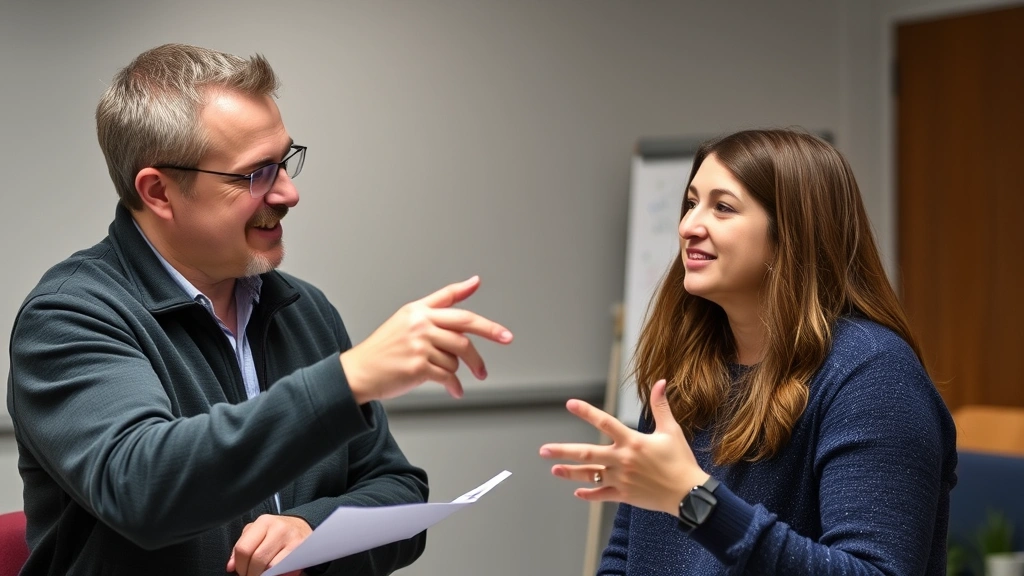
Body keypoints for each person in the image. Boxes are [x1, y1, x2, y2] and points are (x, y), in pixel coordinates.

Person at [6, 43, 513, 576]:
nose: (289, 193)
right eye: (257, 174)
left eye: (286, 162)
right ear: (158, 192)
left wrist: (312, 528)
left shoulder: (302, 307)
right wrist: (347, 380)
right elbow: (144, 489)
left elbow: (399, 493)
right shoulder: (68, 317)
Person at [540, 128, 957, 574]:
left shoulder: (872, 375)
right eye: (691, 203)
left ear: (792, 232)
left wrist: (695, 500)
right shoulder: (688, 370)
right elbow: (626, 559)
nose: (688, 226)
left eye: (722, 207)